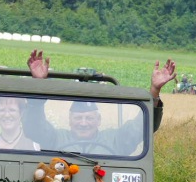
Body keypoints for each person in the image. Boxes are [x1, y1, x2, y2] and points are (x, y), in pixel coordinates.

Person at [24, 49, 175, 153]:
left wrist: (154, 91)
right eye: (78, 118)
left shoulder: (115, 140)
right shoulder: (55, 138)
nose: (83, 123)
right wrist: (39, 84)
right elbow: (35, 126)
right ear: (69, 120)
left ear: (98, 120)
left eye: (89, 118)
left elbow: (142, 128)